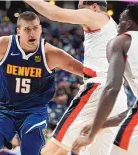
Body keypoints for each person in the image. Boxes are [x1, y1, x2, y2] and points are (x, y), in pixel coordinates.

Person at [0, 11, 83, 155]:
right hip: (4, 109)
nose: (32, 33)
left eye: (35, 28)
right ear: (18, 31)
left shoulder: (51, 53)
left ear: (41, 29)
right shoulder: (3, 45)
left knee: (30, 151)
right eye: (27, 29)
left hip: (34, 111)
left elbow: (83, 70)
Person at [25, 1, 127, 155]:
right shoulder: (113, 29)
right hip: (118, 98)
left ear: (94, 6)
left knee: (54, 148)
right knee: (66, 150)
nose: (78, 12)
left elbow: (53, 13)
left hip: (99, 90)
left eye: (81, 7)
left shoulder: (96, 16)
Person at [72, 4, 138, 155]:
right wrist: (102, 124)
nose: (117, 26)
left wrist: (92, 134)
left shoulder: (121, 41)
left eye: (120, 21)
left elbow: (111, 89)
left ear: (128, 23)